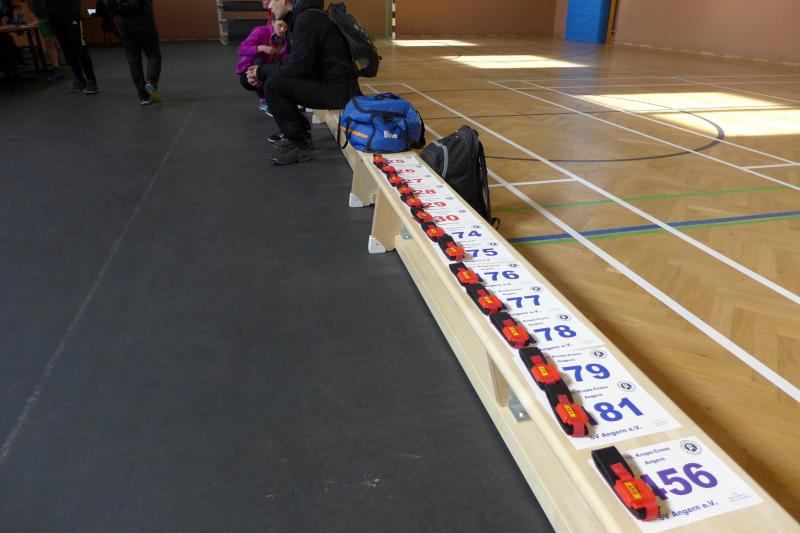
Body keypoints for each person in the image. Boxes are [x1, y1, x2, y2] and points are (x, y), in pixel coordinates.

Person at [247, 0, 360, 165]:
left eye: (271, 1)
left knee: (273, 85)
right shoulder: (304, 16)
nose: (269, 6)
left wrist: (262, 71)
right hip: (332, 84)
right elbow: (297, 63)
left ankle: (299, 145)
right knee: (274, 78)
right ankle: (302, 135)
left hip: (338, 90)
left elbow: (297, 68)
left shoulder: (307, 19)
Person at [107, 0, 162, 105]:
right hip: (143, 18)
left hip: (122, 20)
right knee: (153, 54)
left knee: (133, 58)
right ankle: (151, 82)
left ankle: (143, 96)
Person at [236, 9, 288, 114]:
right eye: (279, 25)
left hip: (268, 70)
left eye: (285, 27)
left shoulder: (286, 39)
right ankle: (264, 99)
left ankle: (273, 98)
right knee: (259, 61)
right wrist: (261, 48)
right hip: (248, 75)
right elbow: (241, 49)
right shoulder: (260, 31)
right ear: (272, 22)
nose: (282, 30)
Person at [46, 0, 99, 93]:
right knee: (67, 49)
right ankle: (79, 79)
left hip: (71, 12)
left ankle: (91, 80)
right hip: (54, 14)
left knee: (80, 47)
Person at [26, 0, 64, 80]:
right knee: (49, 43)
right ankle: (57, 70)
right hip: (43, 19)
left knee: (65, 41)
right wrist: (39, 19)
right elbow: (33, 8)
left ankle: (76, 67)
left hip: (58, 16)